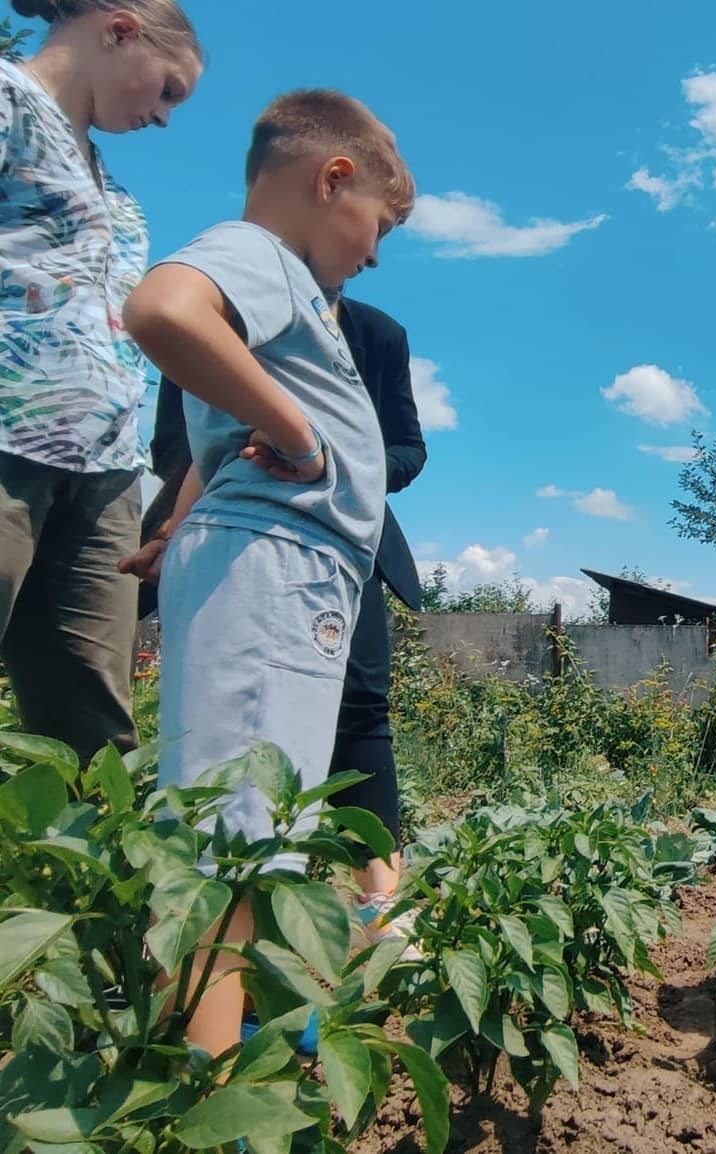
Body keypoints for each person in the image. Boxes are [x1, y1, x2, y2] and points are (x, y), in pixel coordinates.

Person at [117, 88, 414, 1058]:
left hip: (282, 567)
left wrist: (177, 525)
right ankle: (212, 1085)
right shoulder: (263, 259)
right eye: (371, 228)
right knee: (235, 848)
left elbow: (214, 439)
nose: (371, 255)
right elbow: (160, 308)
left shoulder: (286, 294)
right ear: (334, 179)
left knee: (254, 829)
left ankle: (249, 1044)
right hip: (274, 569)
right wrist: (298, 429)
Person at [143, 291, 427, 940]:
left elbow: (408, 449)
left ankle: (380, 911)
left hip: (345, 542)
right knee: (224, 710)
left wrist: (332, 460)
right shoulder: (209, 319)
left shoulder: (376, 330)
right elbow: (172, 443)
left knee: (361, 707)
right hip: (228, 532)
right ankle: (223, 913)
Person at [0, 0, 201, 764]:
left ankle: (82, 884)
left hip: (107, 468)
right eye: (168, 90)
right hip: (6, 435)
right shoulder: (7, 99)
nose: (163, 116)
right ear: (120, 32)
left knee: (94, 727)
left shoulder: (121, 197)